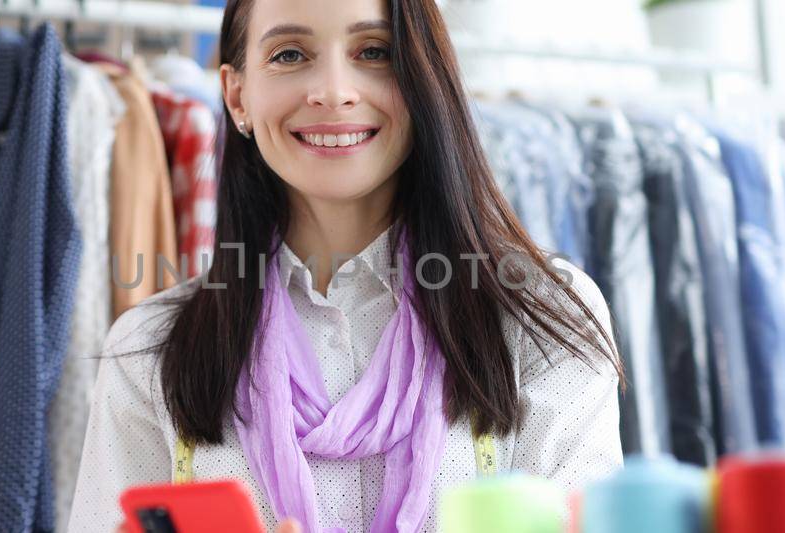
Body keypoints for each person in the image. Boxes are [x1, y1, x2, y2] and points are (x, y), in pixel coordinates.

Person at [70, 0, 625, 531]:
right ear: (237, 97)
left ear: (425, 78)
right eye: (289, 54)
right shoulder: (149, 352)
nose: (333, 93)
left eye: (375, 51)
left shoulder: (542, 320)